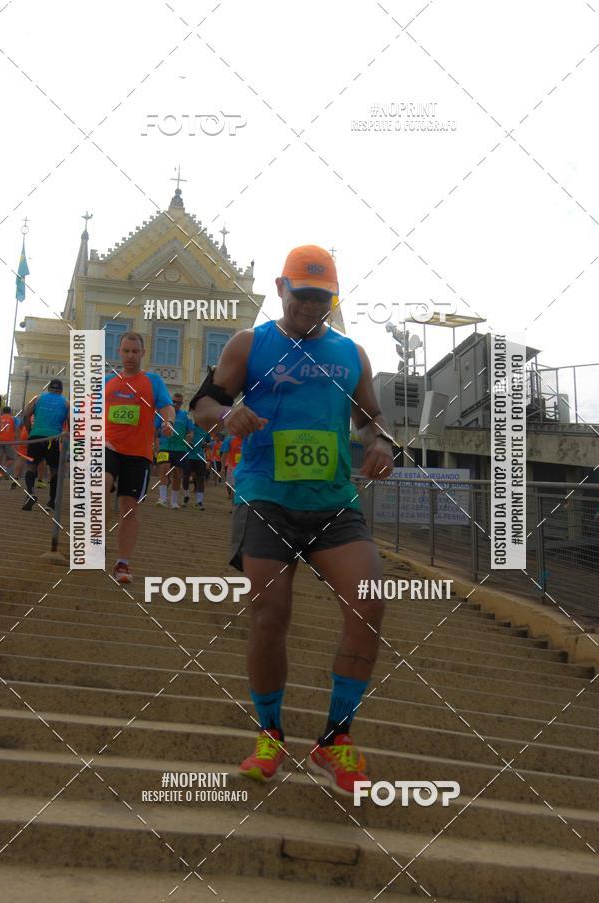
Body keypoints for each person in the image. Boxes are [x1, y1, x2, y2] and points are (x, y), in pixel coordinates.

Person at [193, 245, 394, 797]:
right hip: (266, 496)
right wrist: (227, 414)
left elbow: (370, 416)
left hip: (333, 502)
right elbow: (202, 405)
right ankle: (270, 733)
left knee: (369, 600)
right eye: (303, 296)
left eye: (322, 299)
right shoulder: (249, 344)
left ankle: (335, 738)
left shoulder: (351, 353)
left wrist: (379, 444)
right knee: (270, 615)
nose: (311, 308)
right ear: (282, 289)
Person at [105, 332, 174, 583]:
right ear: (119, 352)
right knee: (101, 486)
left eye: (135, 351)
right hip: (109, 446)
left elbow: (167, 405)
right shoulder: (107, 381)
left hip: (138, 453)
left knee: (128, 508)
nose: (130, 356)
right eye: (126, 351)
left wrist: (168, 421)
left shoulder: (153, 381)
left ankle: (123, 563)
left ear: (143, 353)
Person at [21, 380, 69, 511]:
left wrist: (31, 432)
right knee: (54, 471)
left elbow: (25, 415)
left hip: (36, 436)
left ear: (48, 389)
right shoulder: (66, 403)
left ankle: (31, 492)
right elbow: (71, 424)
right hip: (53, 439)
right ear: (61, 390)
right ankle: (51, 503)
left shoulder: (38, 398)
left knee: (31, 467)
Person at [155, 393, 193, 510]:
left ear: (182, 404)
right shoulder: (162, 414)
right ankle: (162, 499)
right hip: (164, 447)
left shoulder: (186, 416)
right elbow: (155, 431)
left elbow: (191, 431)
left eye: (178, 402)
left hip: (180, 449)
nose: (176, 404)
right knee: (164, 470)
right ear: (171, 401)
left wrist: (190, 437)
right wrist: (156, 447)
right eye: (174, 401)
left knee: (177, 474)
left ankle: (174, 501)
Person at [183, 420, 210, 509]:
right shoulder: (189, 427)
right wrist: (187, 441)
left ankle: (199, 501)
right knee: (186, 477)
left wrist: (206, 444)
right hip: (189, 456)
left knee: (201, 479)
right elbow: (182, 438)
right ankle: (186, 496)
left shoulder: (205, 429)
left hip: (200, 457)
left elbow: (209, 442)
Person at [221, 432, 243, 512]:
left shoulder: (248, 438)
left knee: (237, 488)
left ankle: (236, 508)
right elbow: (224, 454)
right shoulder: (230, 440)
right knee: (235, 488)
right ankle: (235, 507)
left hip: (243, 468)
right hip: (233, 468)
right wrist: (222, 468)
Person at [0, 406, 18, 479]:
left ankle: (0, 475)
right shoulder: (13, 419)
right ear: (10, 412)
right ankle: (4, 468)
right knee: (11, 458)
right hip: (9, 441)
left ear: (3, 412)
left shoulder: (0, 418)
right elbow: (17, 429)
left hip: (0, 440)